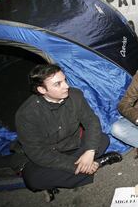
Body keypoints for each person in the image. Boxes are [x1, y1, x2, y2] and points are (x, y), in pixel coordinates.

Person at [15, 64, 122, 202]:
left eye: (65, 80)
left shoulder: (75, 95)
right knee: (33, 180)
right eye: (57, 84)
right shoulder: (27, 114)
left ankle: (68, 175)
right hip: (50, 155)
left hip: (75, 145)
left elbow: (91, 122)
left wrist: (89, 151)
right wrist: (74, 165)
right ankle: (97, 164)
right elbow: (37, 153)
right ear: (42, 89)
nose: (66, 86)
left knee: (102, 140)